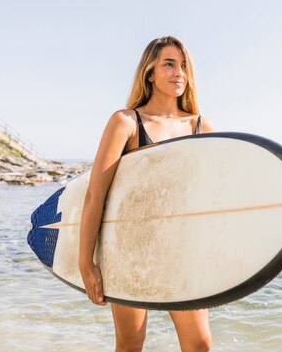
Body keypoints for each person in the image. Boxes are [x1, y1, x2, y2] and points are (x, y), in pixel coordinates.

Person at [78, 36, 214, 352]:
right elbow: (95, 194)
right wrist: (87, 263)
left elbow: (210, 197)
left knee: (200, 344)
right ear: (149, 72)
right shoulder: (126, 122)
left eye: (184, 66)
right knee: (131, 343)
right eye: (169, 64)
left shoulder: (202, 127)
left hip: (182, 248)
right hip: (131, 248)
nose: (179, 72)